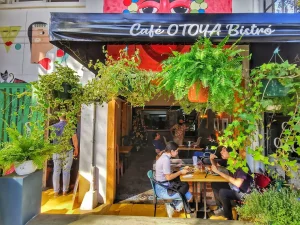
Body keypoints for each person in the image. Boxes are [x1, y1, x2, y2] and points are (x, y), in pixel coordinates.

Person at [210, 146, 253, 220]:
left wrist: (218, 172)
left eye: (224, 150)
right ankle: (222, 208)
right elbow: (215, 167)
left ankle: (229, 218)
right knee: (215, 184)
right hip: (235, 188)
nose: (221, 152)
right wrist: (211, 159)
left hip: (244, 193)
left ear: (231, 153)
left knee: (223, 192)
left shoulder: (241, 164)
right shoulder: (229, 161)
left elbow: (238, 183)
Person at [155, 142, 192, 218]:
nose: (177, 152)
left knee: (185, 188)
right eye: (177, 151)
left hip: (162, 186)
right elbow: (168, 177)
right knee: (189, 195)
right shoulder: (165, 159)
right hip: (163, 190)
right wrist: (180, 172)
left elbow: (165, 171)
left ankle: (173, 205)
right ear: (172, 151)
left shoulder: (164, 156)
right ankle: (173, 206)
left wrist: (176, 167)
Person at [52, 115, 79, 197]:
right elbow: (74, 139)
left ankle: (56, 192)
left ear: (59, 117)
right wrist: (76, 149)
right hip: (67, 150)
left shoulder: (53, 127)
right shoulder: (70, 127)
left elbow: (51, 139)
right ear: (67, 118)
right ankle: (64, 191)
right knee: (66, 171)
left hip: (56, 150)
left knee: (56, 171)